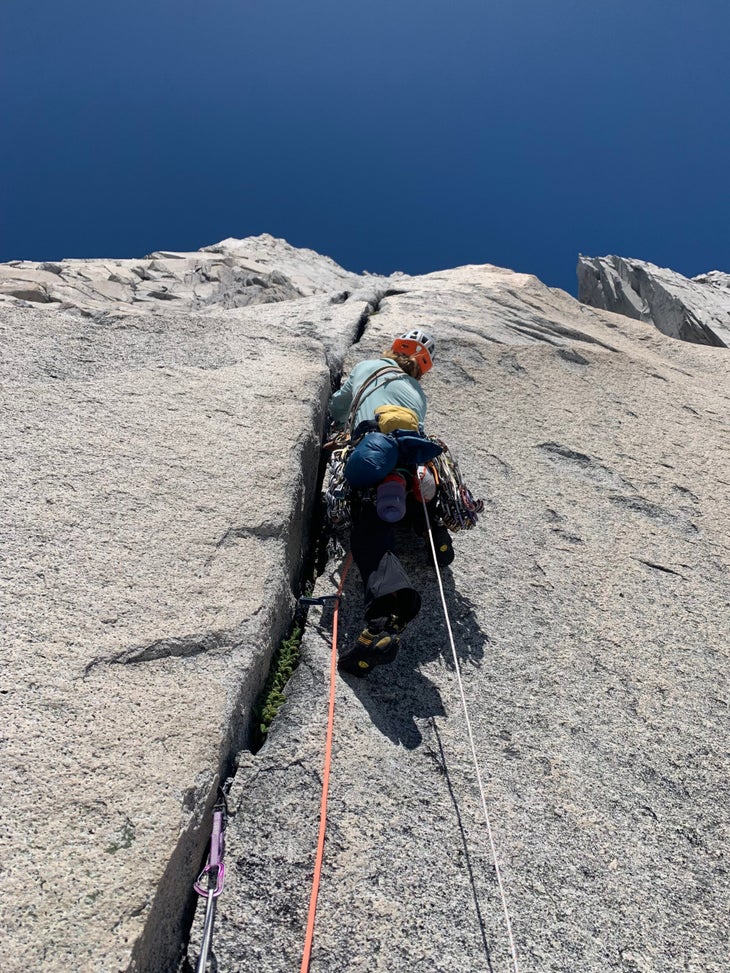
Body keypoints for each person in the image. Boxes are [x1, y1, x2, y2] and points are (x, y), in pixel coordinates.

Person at [328, 329, 454, 677]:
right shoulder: (417, 392)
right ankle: (431, 527)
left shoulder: (367, 367)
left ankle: (384, 621)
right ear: (422, 369)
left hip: (373, 452)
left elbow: (338, 406)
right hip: (410, 459)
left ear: (394, 349)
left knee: (370, 535)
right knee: (404, 487)